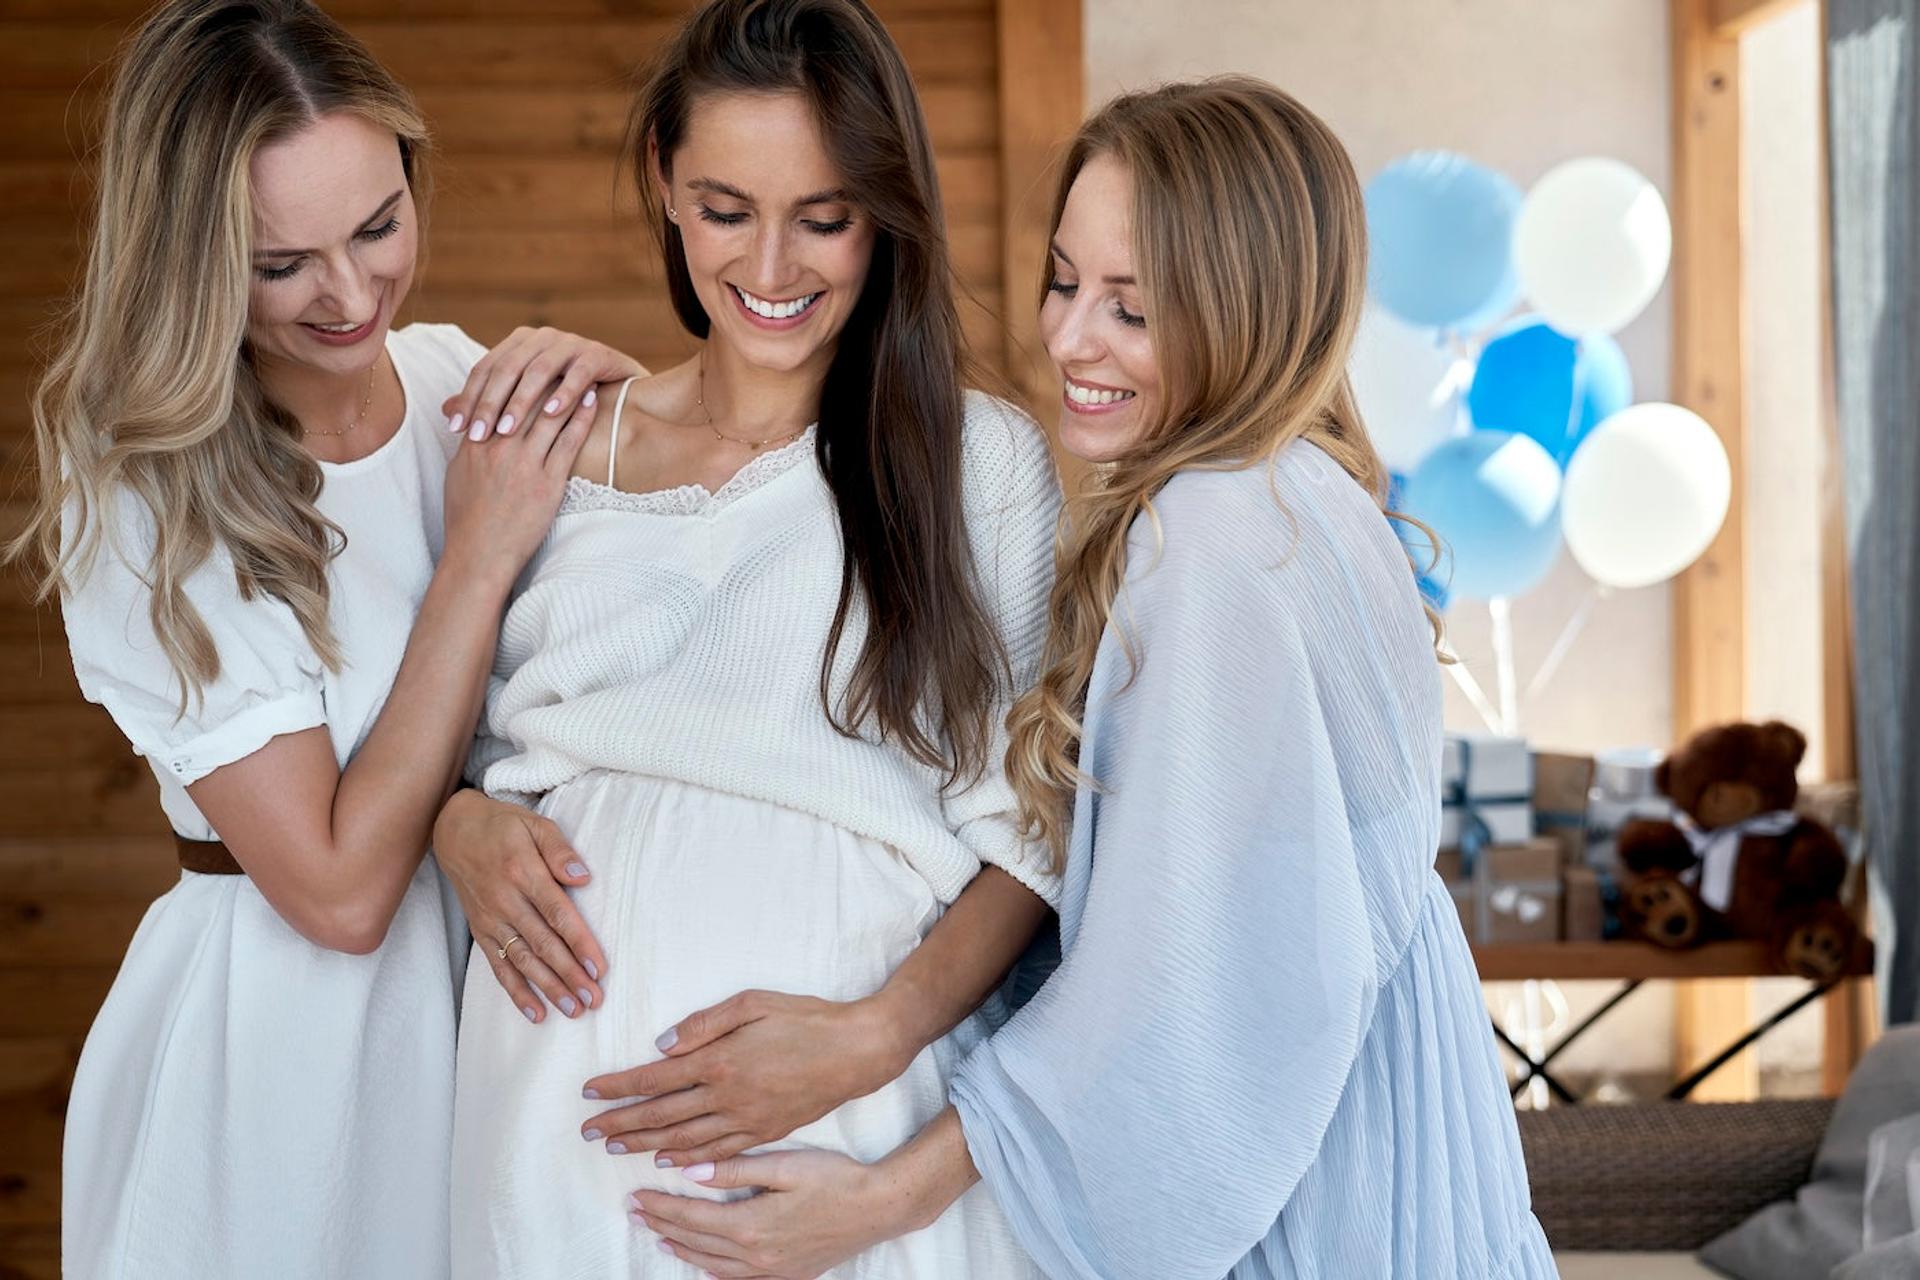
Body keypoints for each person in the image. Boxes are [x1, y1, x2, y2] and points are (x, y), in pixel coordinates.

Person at [626, 76, 1559, 1280]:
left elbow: (1179, 994)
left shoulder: (1218, 538)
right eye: (1065, 282)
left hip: (1299, 1157)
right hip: (1373, 1115)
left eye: (1132, 308)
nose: (1068, 339)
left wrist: (877, 1200)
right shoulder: (1297, 491)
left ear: (1248, 312)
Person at [428, 1, 1061, 1275]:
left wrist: (877, 1034)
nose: (772, 266)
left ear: (886, 211)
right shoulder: (559, 446)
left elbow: (1034, 835)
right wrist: (459, 823)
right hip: (547, 1130)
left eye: (824, 217)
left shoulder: (978, 465)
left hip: (840, 1126)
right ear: (664, 179)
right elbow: (462, 747)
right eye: (726, 209)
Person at [15, 2, 640, 1274]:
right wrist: (476, 556)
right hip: (286, 1069)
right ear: (190, 259)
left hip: (496, 1031)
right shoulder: (146, 494)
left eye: (377, 226)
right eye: (280, 263)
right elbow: (342, 893)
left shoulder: (459, 381)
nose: (350, 294)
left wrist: (626, 394)